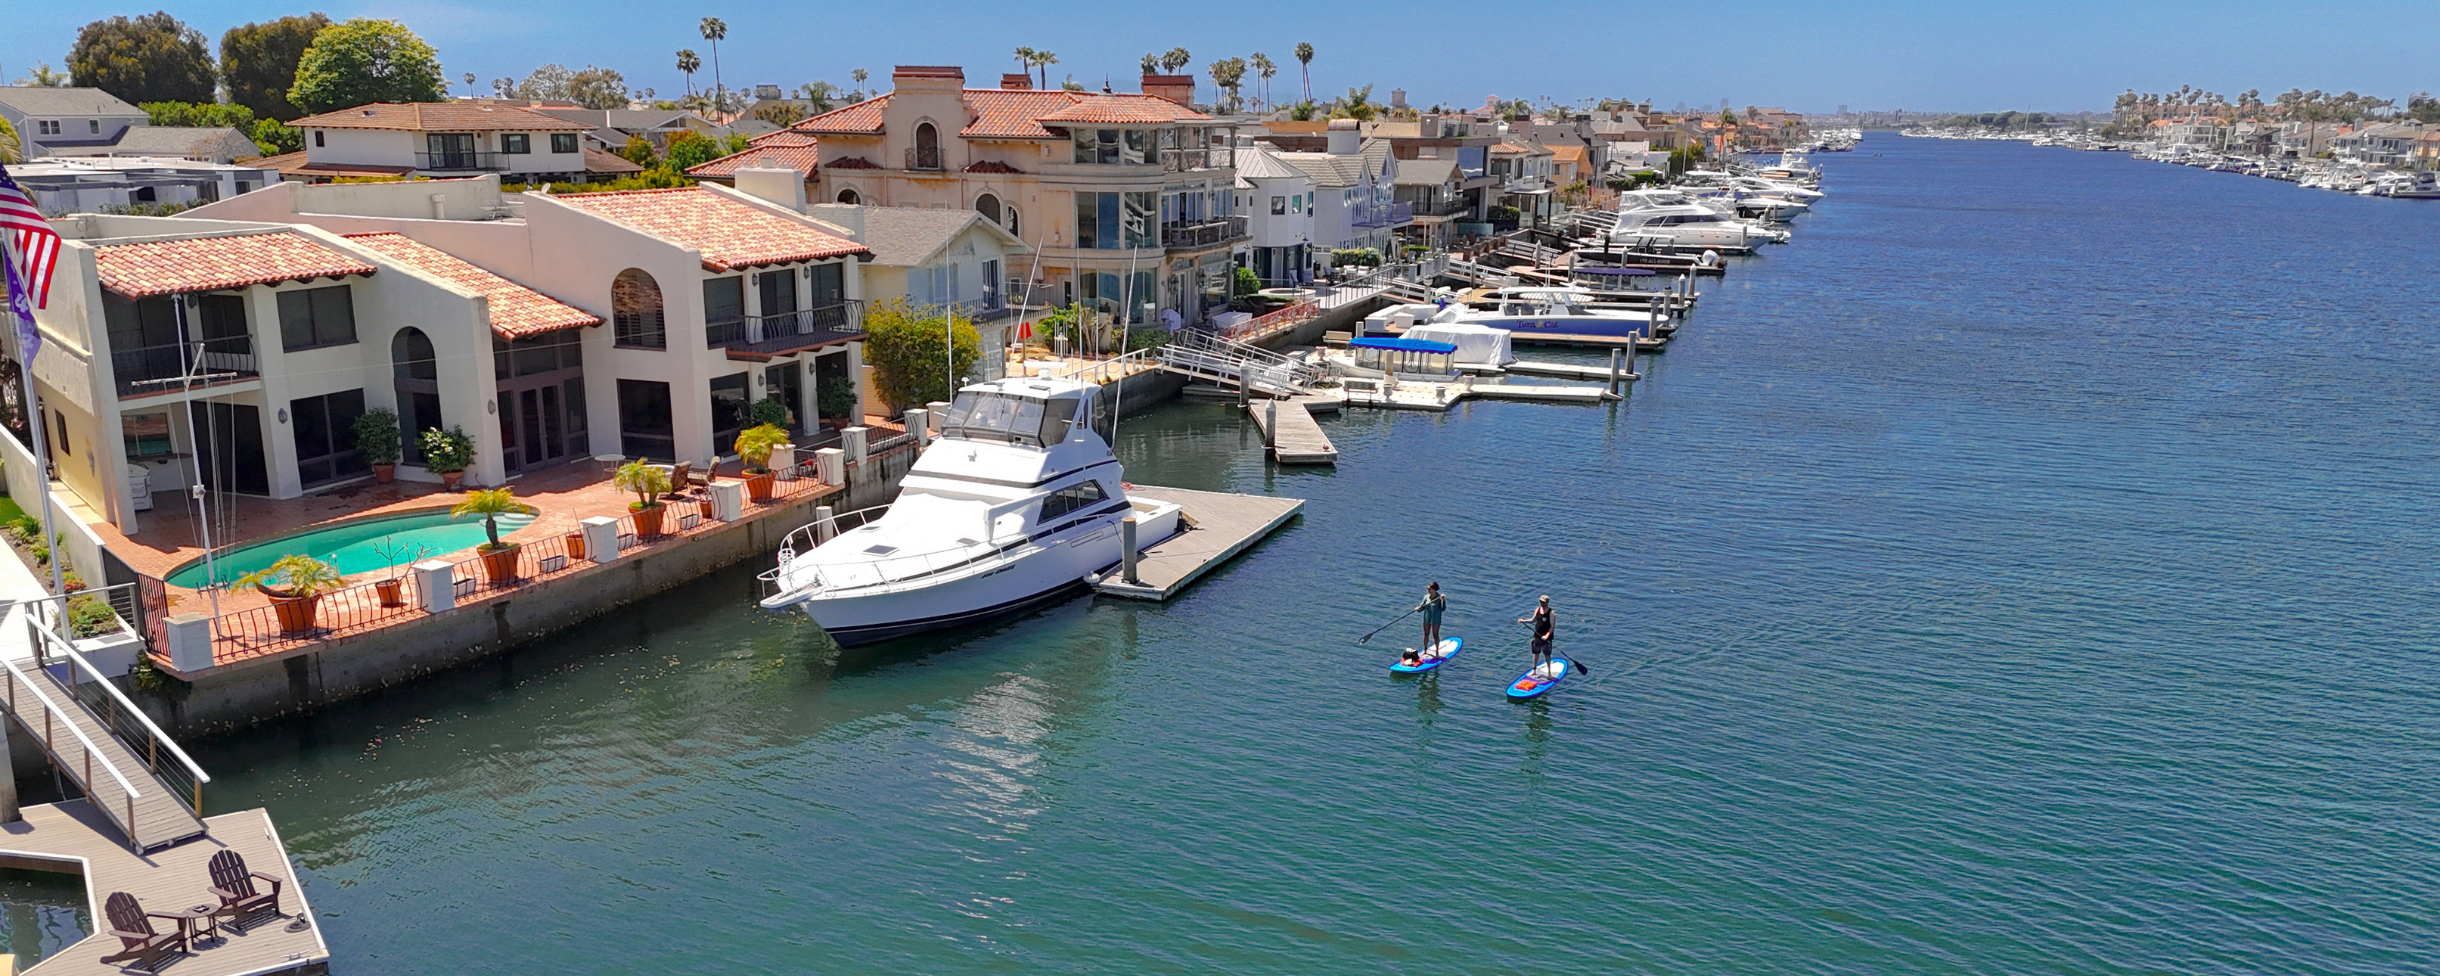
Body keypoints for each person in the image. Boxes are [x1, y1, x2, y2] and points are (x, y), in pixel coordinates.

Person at [1405, 583, 1447, 665]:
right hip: (1427, 619)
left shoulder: (1439, 598)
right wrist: (1418, 608)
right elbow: (1422, 607)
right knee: (1426, 634)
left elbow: (1443, 609)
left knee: (1435, 635)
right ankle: (1425, 650)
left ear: (1434, 589)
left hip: (1436, 620)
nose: (1428, 590)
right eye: (1427, 589)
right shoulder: (1426, 597)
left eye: (1429, 589)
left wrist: (1443, 600)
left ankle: (1437, 652)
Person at [1517, 595, 1555, 675]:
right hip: (1537, 636)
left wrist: (1547, 636)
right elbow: (1532, 620)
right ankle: (1534, 670)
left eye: (1543, 602)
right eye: (1541, 602)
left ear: (1547, 603)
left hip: (1546, 638)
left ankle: (1549, 674)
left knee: (1547, 655)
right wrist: (1523, 621)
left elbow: (1552, 627)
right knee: (1536, 653)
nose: (1542, 603)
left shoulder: (1551, 613)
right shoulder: (1537, 610)